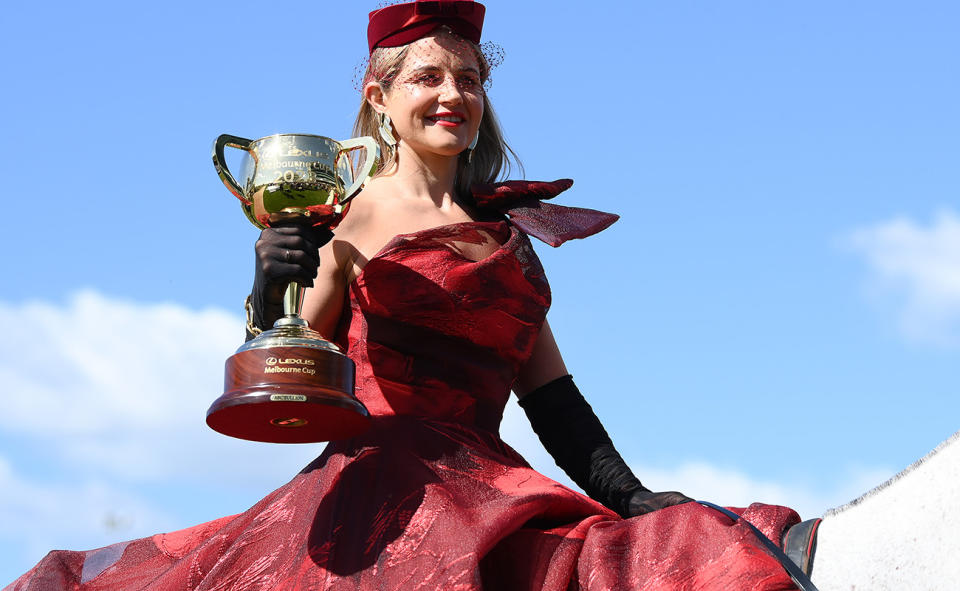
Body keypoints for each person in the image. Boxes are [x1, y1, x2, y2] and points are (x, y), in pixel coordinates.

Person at [8, 2, 804, 589]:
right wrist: (273, 274)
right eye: (427, 76)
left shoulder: (510, 238)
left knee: (663, 555)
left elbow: (553, 398)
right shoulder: (345, 214)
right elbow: (290, 354)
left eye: (468, 78)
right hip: (378, 494)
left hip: (492, 482)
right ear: (379, 94)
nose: (451, 93)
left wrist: (630, 493)